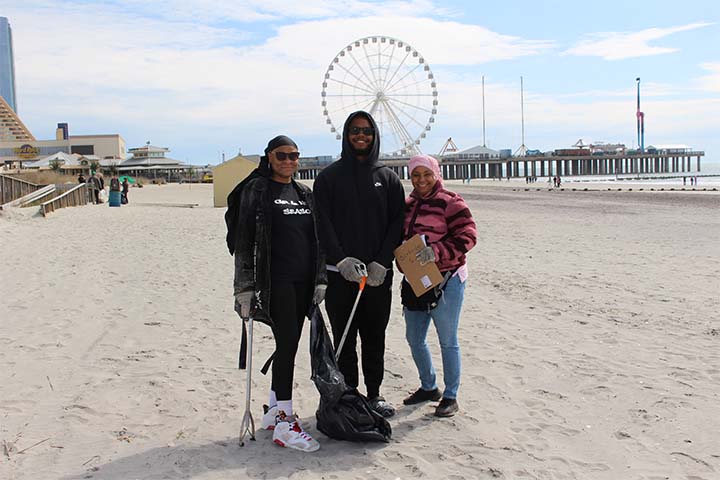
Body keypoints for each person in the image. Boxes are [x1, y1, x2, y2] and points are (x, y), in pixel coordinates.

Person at [232, 135, 326, 452]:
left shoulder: (304, 193)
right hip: (276, 282)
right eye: (282, 155)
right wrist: (243, 289)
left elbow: (317, 239)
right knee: (286, 348)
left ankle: (273, 411)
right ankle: (285, 422)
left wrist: (320, 280)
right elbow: (244, 242)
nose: (288, 161)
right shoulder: (257, 191)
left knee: (290, 345)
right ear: (270, 157)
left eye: (294, 155)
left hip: (303, 283)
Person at [313, 111, 405, 418]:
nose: (360, 135)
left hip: (378, 277)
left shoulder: (388, 178)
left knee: (374, 335)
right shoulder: (328, 178)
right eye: (354, 130)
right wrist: (340, 259)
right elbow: (321, 223)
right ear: (346, 135)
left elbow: (397, 223)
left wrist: (382, 261)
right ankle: (348, 392)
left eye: (366, 130)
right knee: (345, 336)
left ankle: (375, 393)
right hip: (341, 275)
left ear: (374, 134)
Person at [400, 154, 477, 417]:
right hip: (415, 281)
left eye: (426, 174)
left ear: (436, 174)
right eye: (415, 175)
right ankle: (428, 386)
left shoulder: (451, 202)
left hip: (448, 280)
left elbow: (468, 236)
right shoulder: (408, 204)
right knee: (414, 338)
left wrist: (437, 251)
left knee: (447, 340)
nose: (421, 180)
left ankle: (451, 395)